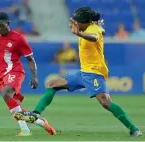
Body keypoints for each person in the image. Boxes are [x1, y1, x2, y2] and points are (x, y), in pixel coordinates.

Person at [15, 7, 142, 137]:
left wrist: (79, 33)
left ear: (86, 22)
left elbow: (94, 37)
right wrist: (79, 27)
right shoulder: (88, 27)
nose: (75, 24)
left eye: (77, 22)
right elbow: (94, 29)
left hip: (94, 73)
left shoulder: (93, 29)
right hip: (83, 72)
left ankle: (134, 129)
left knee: (105, 102)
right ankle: (36, 113)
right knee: (52, 84)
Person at [0, 12, 55, 136]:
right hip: (2, 74)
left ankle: (28, 129)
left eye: (2, 26)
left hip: (15, 71)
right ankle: (39, 124)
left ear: (8, 24)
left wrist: (35, 77)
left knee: (6, 94)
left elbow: (30, 59)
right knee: (14, 107)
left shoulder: (18, 38)